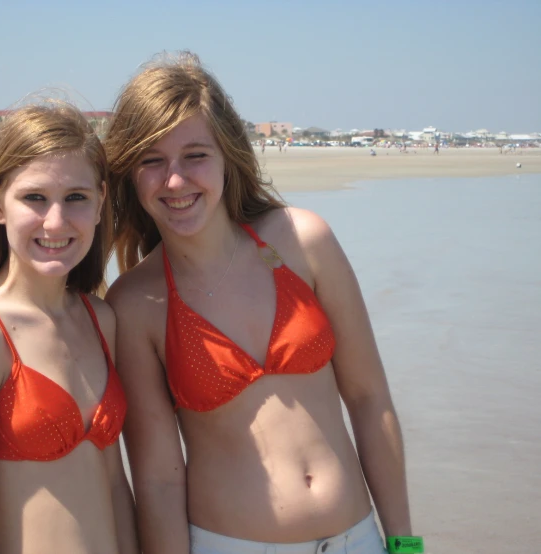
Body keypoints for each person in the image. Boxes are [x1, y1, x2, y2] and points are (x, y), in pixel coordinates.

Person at [104, 52, 415, 554]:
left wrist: (405, 544)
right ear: (129, 176)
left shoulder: (303, 240)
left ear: (228, 155)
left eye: (195, 155)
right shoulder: (135, 304)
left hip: (359, 539)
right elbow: (159, 480)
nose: (176, 181)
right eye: (152, 161)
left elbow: (369, 399)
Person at [0, 103, 138, 554]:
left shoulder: (101, 320)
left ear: (101, 202)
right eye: (35, 198)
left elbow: (115, 485)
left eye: (76, 198)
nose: (56, 221)